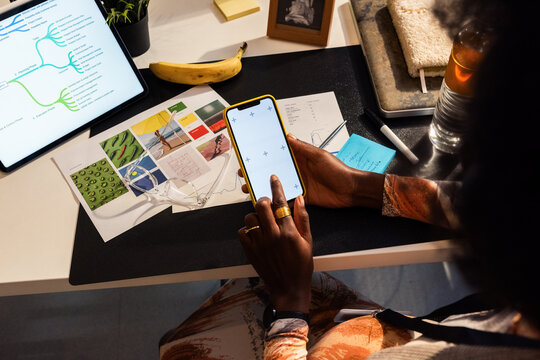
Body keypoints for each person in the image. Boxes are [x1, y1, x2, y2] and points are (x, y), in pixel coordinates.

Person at [159, 0, 540, 358]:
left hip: (323, 333)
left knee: (182, 345)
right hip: (393, 327)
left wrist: (289, 305)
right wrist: (363, 188)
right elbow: (508, 206)